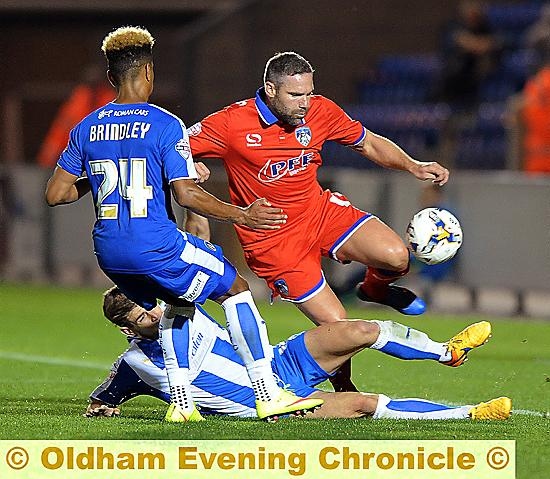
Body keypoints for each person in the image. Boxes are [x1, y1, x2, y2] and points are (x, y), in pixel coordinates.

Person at [44, 26, 323, 423]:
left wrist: (111, 179)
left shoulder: (86, 127)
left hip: (109, 254)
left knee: (179, 303)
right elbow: (187, 196)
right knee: (236, 290)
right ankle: (267, 394)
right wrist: (243, 215)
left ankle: (182, 404)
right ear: (149, 73)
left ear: (111, 78)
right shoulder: (164, 123)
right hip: (154, 244)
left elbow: (56, 195)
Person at [188, 51, 449, 391]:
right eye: (296, 95)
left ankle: (373, 288)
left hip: (320, 213)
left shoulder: (320, 110)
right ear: (270, 89)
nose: (305, 103)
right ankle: (345, 390)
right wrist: (188, 163)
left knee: (396, 256)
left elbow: (367, 142)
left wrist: (413, 165)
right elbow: (170, 144)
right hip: (274, 241)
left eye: (309, 92)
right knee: (339, 326)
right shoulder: (231, 123)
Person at [85, 287, 511, 421]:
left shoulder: (180, 309)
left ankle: (447, 352)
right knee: (365, 404)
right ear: (127, 327)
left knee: (360, 330)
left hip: (276, 364)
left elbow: (195, 241)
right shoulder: (136, 365)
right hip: (269, 406)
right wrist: (103, 406)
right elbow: (102, 397)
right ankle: (472, 413)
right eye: (145, 313)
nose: (156, 312)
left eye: (152, 302)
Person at [37, 63, 114, 169]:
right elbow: (63, 126)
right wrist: (51, 148)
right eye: (90, 85)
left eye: (96, 85)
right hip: (75, 153)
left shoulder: (109, 99)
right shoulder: (79, 97)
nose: (92, 90)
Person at [437, 0, 502, 107]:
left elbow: (499, 42)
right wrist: (482, 44)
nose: (473, 10)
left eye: (476, 7)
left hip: (475, 86)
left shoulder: (485, 28)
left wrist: (483, 45)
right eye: (470, 7)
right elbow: (467, 43)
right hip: (451, 85)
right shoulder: (452, 25)